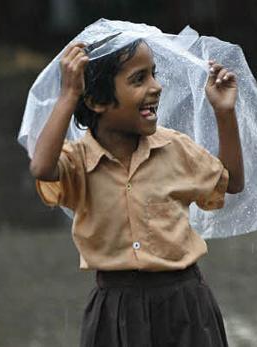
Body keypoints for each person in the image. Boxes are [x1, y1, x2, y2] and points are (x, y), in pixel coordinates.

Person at [28, 34, 244, 346]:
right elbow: (42, 168)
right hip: (116, 310)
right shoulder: (78, 162)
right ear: (96, 100)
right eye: (139, 79)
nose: (156, 87)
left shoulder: (175, 148)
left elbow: (232, 181)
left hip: (185, 304)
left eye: (154, 73)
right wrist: (68, 94)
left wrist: (224, 113)